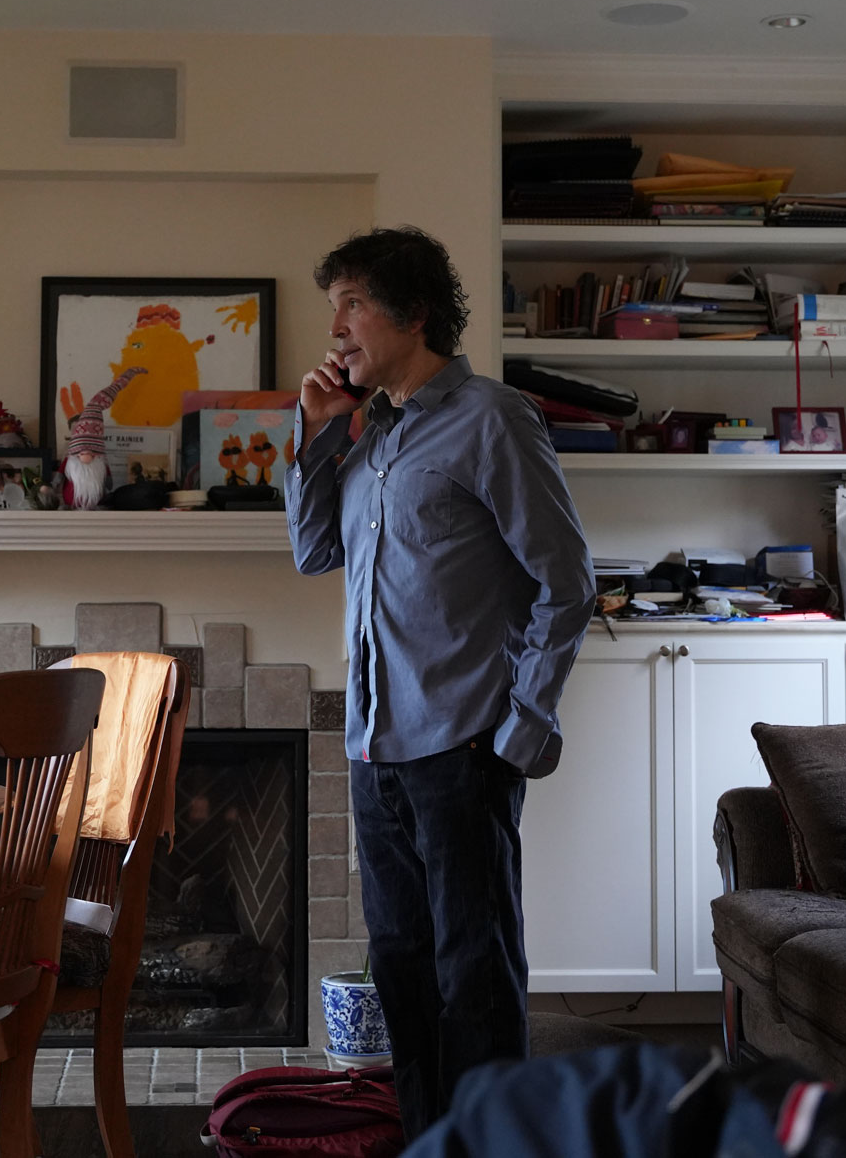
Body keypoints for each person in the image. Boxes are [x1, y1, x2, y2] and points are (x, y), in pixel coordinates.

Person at [286, 226, 595, 1139]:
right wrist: (312, 436)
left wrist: (521, 729)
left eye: (352, 303)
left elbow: (567, 581)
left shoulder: (494, 419)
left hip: (464, 745)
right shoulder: (364, 432)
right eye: (332, 306)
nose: (335, 328)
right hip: (375, 748)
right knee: (403, 972)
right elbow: (312, 551)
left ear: (413, 312)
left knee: (477, 977)